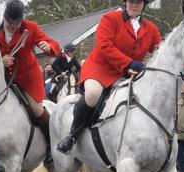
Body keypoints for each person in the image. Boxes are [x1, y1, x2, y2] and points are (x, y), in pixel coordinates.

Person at [57, 0, 162, 153]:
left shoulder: (151, 29)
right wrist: (129, 64)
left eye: (138, 2)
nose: (133, 5)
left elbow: (162, 50)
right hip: (100, 68)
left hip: (127, 73)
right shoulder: (110, 18)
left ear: (143, 5)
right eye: (131, 1)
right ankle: (72, 136)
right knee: (92, 95)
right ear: (126, 3)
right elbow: (105, 46)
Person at [0, 0, 60, 159]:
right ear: (3, 17)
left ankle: (51, 146)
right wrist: (0, 61)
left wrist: (49, 47)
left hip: (26, 78)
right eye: (8, 22)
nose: (11, 26)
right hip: (1, 78)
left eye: (15, 24)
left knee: (37, 109)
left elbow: (53, 44)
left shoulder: (30, 27)